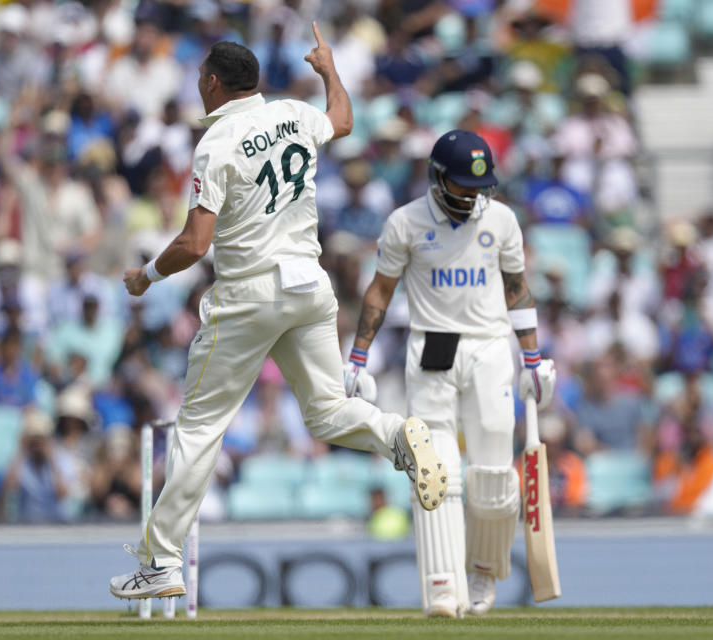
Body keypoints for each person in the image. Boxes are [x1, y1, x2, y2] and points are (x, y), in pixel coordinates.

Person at [108, 28, 448, 601]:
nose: (197, 87)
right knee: (327, 411)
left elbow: (195, 244)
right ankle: (397, 433)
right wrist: (328, 70)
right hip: (310, 287)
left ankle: (162, 561)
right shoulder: (293, 113)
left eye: (199, 80)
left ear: (214, 83)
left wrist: (147, 276)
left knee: (198, 427)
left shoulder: (215, 144)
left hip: (248, 295)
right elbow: (341, 121)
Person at [343, 129, 556, 617]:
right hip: (432, 346)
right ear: (437, 179)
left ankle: (482, 571)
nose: (473, 195)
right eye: (463, 185)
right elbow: (380, 291)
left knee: (495, 474)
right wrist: (358, 355)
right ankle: (442, 585)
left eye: (480, 186)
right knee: (435, 472)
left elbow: (517, 290)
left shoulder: (501, 220)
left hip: (488, 347)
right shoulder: (405, 223)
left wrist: (533, 358)